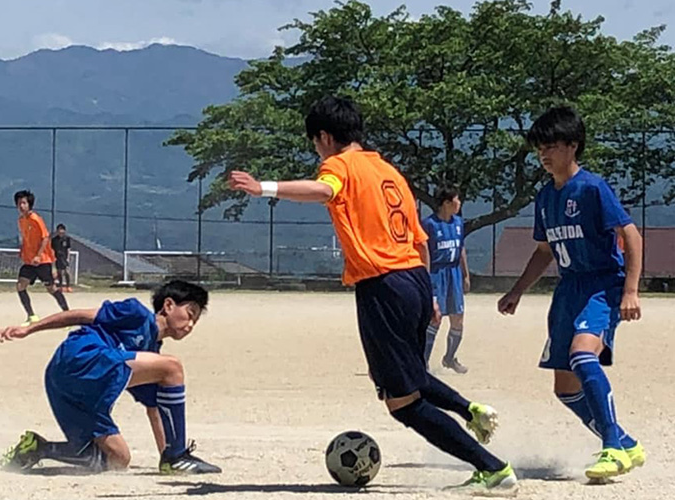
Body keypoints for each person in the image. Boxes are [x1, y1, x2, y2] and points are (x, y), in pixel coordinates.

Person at [229, 95, 516, 491]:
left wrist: (264, 187)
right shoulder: (388, 171)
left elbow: (324, 190)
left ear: (325, 137)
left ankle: (492, 468)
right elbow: (419, 240)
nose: (317, 150)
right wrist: (430, 293)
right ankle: (472, 410)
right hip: (413, 279)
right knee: (397, 375)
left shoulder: (340, 166)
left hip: (383, 285)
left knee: (402, 402)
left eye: (315, 142)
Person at [498, 106, 645, 480]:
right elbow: (545, 251)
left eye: (550, 145)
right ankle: (626, 442)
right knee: (564, 388)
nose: (543, 154)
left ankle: (612, 446)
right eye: (539, 148)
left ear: (572, 146)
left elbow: (631, 235)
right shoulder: (546, 197)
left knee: (583, 355)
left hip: (601, 284)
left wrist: (630, 290)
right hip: (568, 291)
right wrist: (516, 291)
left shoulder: (592, 187)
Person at [0, 280, 220, 475]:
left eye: (195, 321)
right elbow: (79, 316)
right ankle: (178, 457)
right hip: (80, 359)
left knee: (118, 459)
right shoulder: (136, 313)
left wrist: (164, 455)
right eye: (190, 314)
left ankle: (40, 449)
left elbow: (155, 411)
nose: (190, 325)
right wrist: (30, 329)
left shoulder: (149, 360)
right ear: (168, 305)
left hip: (69, 390)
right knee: (173, 367)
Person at [422, 186, 470, 374]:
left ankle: (450, 358)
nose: (460, 204)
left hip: (454, 273)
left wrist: (465, 274)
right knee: (435, 318)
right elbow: (423, 252)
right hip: (436, 274)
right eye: (457, 200)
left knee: (458, 318)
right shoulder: (429, 224)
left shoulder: (458, 222)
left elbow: (461, 249)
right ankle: (423, 361)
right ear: (447, 203)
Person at [14, 190, 69, 325]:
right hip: (29, 261)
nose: (21, 206)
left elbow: (45, 237)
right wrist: (22, 250)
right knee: (21, 285)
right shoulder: (21, 220)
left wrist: (38, 255)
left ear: (29, 204)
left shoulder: (35, 219)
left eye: (24, 203)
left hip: (42, 261)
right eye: (19, 203)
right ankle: (31, 316)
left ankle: (67, 314)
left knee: (51, 289)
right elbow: (26, 239)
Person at [51, 224, 72, 293]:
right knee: (59, 272)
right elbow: (52, 250)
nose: (61, 231)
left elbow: (68, 248)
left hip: (64, 257)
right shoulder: (54, 240)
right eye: (59, 229)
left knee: (66, 272)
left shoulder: (67, 239)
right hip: (57, 258)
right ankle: (60, 286)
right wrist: (53, 258)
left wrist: (68, 257)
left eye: (62, 229)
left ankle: (68, 286)